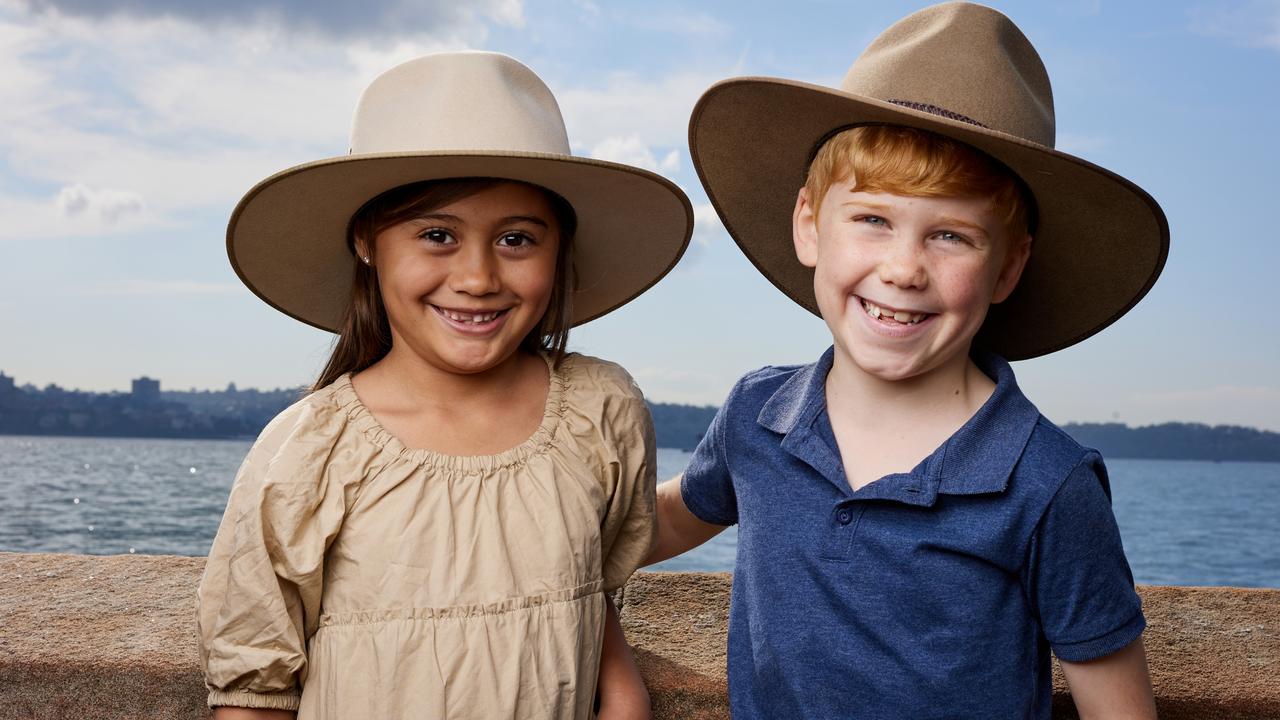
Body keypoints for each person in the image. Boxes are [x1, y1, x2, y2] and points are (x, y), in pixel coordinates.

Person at [648, 3, 1168, 718]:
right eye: (872, 218)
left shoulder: (1048, 485)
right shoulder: (756, 416)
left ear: (1009, 267)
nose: (903, 269)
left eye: (951, 236)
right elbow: (670, 517)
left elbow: (1120, 708)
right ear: (809, 225)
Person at [197, 51, 692, 720]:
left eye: (517, 239)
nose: (479, 277)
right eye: (437, 235)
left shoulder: (601, 411)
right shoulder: (308, 452)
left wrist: (625, 695)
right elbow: (253, 697)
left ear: (559, 251)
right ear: (369, 242)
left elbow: (582, 586)